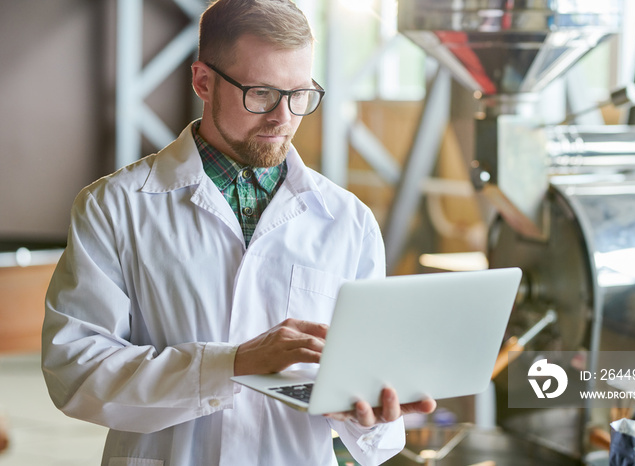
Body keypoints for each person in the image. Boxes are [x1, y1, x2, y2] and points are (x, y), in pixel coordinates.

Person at [41, 1, 436, 465]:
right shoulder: (115, 206)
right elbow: (77, 373)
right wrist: (231, 365)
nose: (283, 117)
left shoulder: (349, 221)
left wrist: (373, 418)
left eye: (300, 94)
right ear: (203, 82)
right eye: (262, 94)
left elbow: (365, 395)